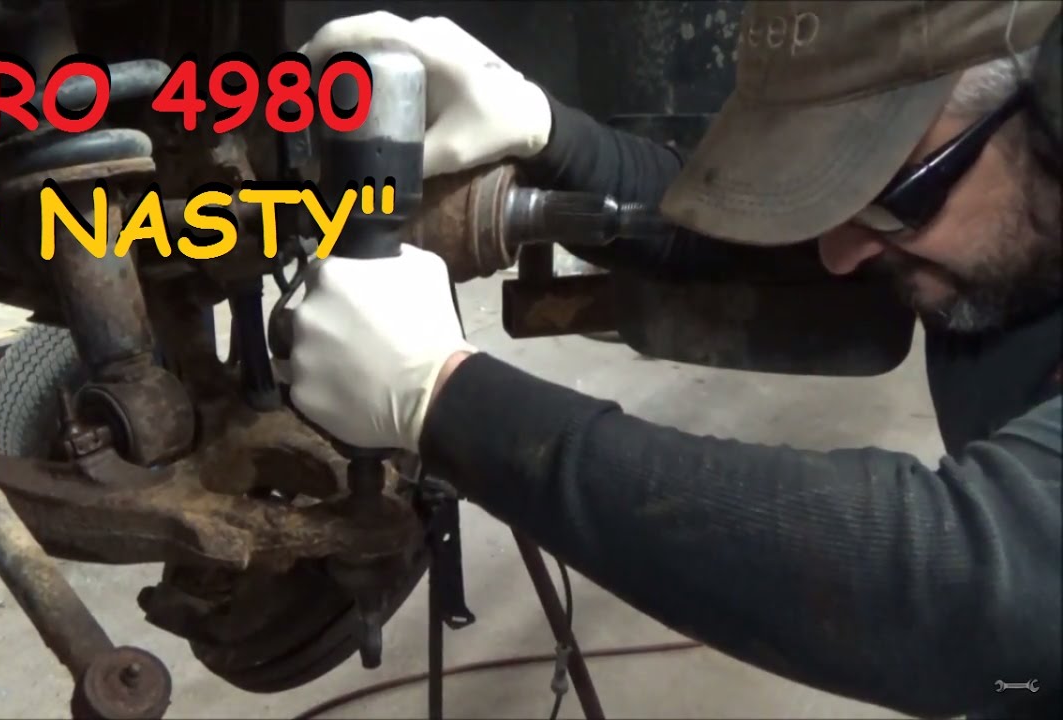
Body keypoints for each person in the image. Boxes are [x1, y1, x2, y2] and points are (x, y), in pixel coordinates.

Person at [287, 1, 1062, 718]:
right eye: (840, 198)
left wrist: (448, 397)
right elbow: (779, 249)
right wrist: (549, 134)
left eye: (896, 196)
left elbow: (963, 589)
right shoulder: (1011, 208)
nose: (837, 255)